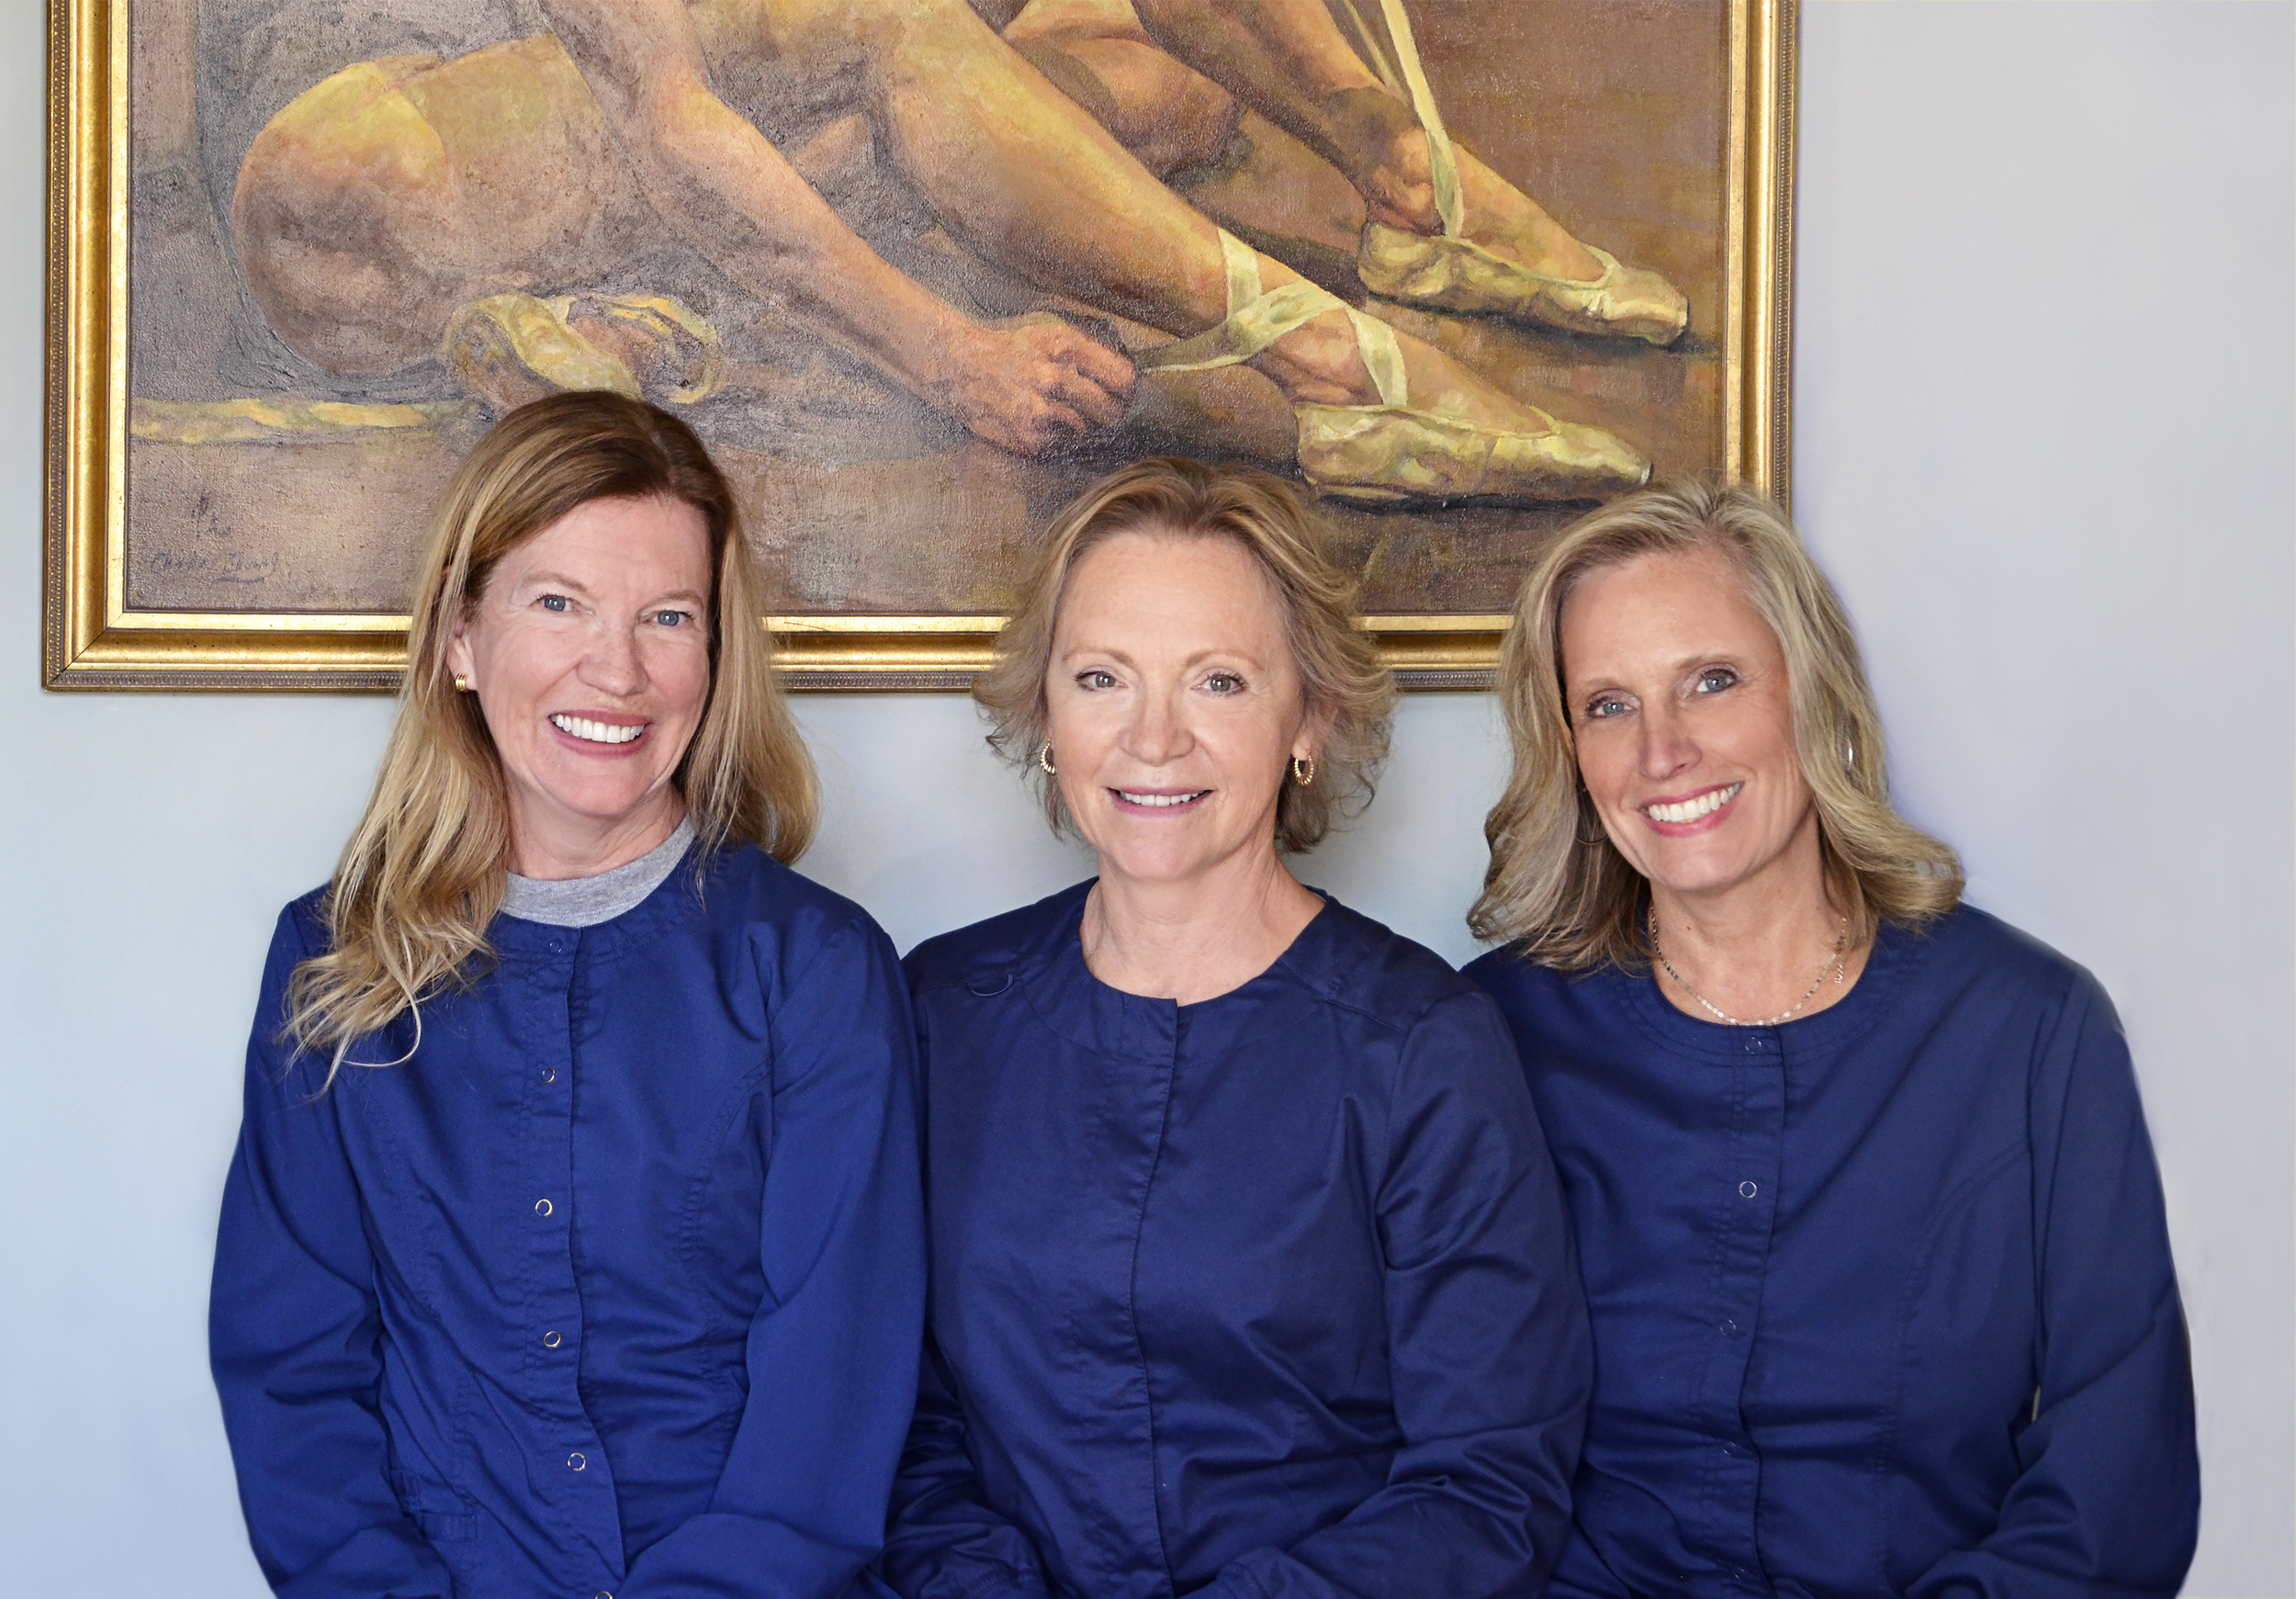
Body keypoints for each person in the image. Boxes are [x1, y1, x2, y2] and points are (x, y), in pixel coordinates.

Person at [208, 391, 925, 1598]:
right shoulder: (330, 963)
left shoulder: (818, 971)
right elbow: (294, 1376)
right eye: (559, 603)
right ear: (461, 638)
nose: (621, 667)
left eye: (668, 615)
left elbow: (832, 1393)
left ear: (714, 651)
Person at [1462, 479, 2199, 1597]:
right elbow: (1428, 1449)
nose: (1662, 750)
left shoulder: (2030, 1033)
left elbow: (2118, 1488)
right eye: (1608, 705)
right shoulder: (1485, 1041)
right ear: (1567, 750)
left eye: (1711, 681)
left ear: (1809, 690)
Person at [879, 457, 1593, 1599]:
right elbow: (895, 1420)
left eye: (1217, 682)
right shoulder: (937, 1013)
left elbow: (1486, 1482)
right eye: (1102, 677)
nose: (1152, 738)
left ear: (1307, 719)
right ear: (1046, 716)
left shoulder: (1422, 1047)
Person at [208, 0, 1650, 504]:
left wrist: (1363, 125)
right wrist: (948, 352)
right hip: (359, 182)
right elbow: (670, 116)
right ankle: (1336, 366)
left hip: (566, 180)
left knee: (1148, 94)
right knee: (892, 23)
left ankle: (1418, 199)